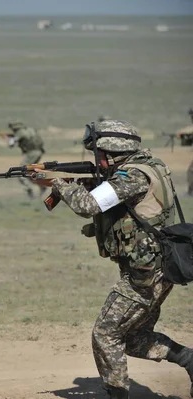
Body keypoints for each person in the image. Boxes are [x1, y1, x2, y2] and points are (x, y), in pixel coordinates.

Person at [37, 119, 193, 399]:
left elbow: (89, 205)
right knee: (134, 338)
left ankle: (117, 393)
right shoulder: (149, 165)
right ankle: (188, 359)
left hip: (145, 274)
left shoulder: (132, 175)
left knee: (105, 333)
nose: (95, 159)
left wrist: (58, 183)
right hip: (156, 267)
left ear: (112, 151)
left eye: (97, 153)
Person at [7, 120, 46, 199]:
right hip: (38, 152)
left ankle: (30, 189)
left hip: (31, 153)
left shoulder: (19, 133)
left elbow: (11, 144)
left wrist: (10, 139)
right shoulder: (30, 130)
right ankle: (42, 184)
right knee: (31, 171)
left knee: (22, 171)